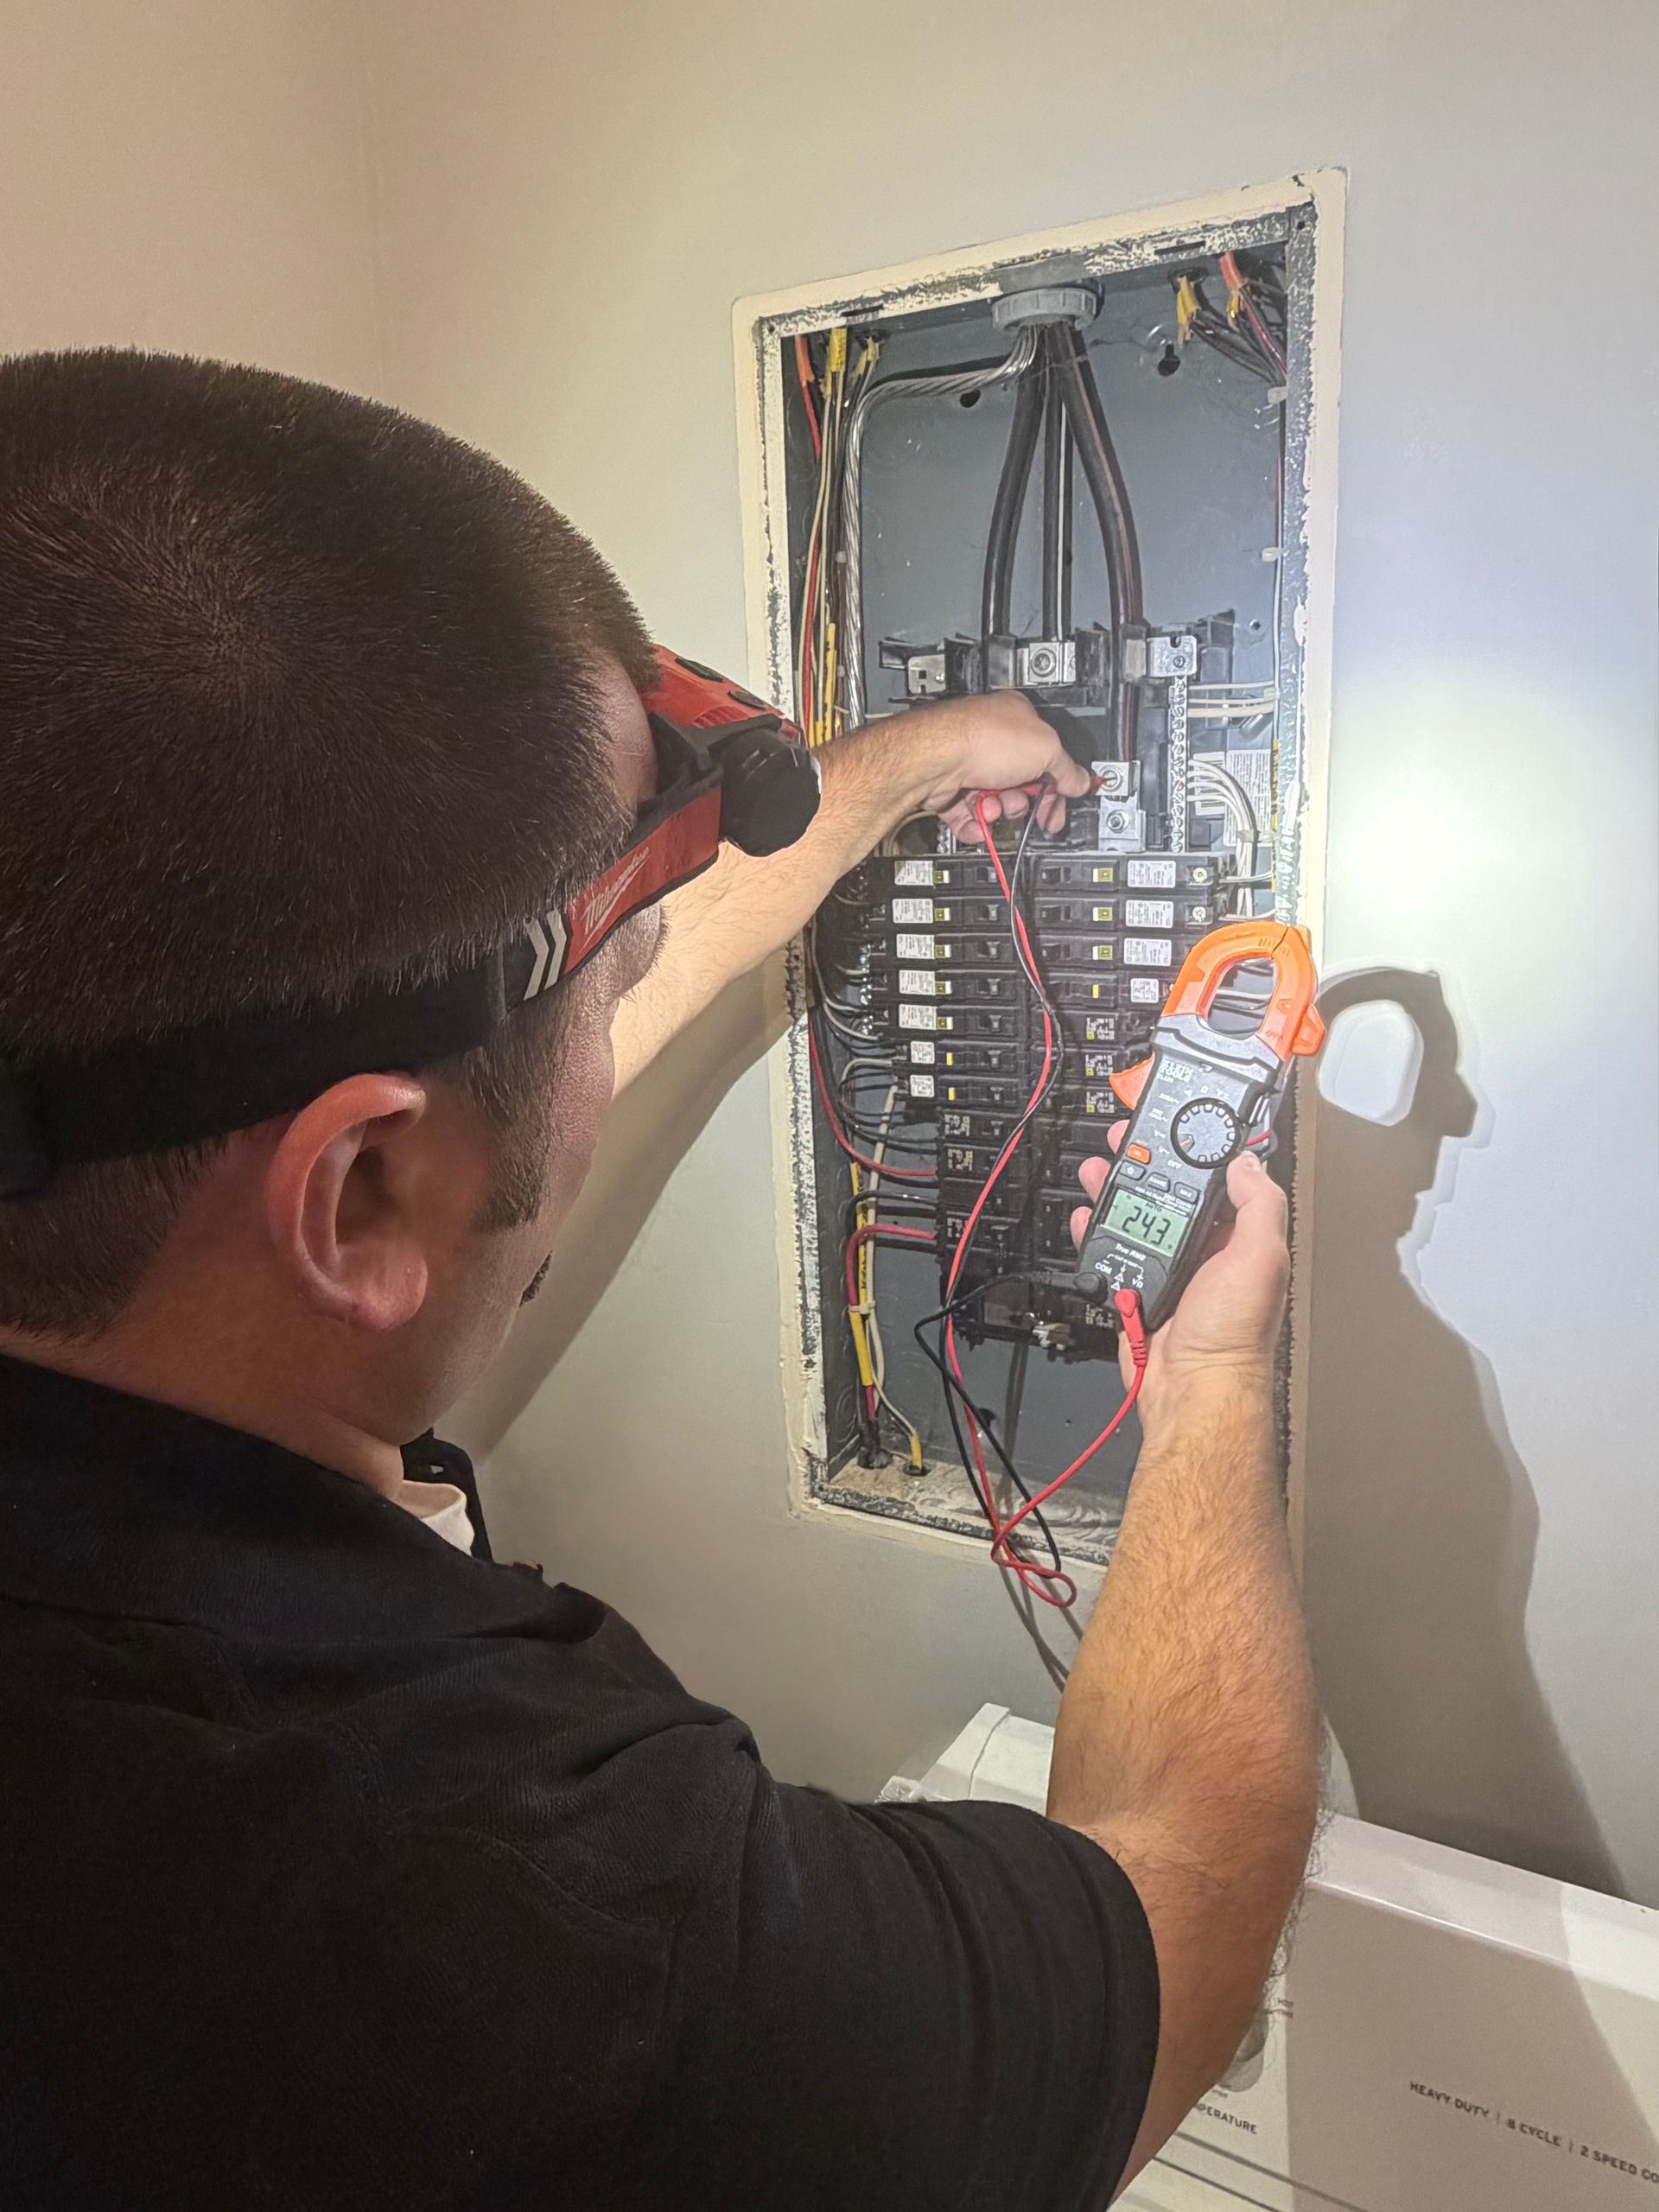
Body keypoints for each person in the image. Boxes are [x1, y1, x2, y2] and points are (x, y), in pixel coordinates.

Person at [0, 350, 1319, 2210]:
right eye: (608, 990)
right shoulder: (527, 1924)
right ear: (361, 1193)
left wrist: (932, 752)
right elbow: (1180, 1897)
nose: (626, 1014)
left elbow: (506, 1007)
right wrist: (1217, 1373)